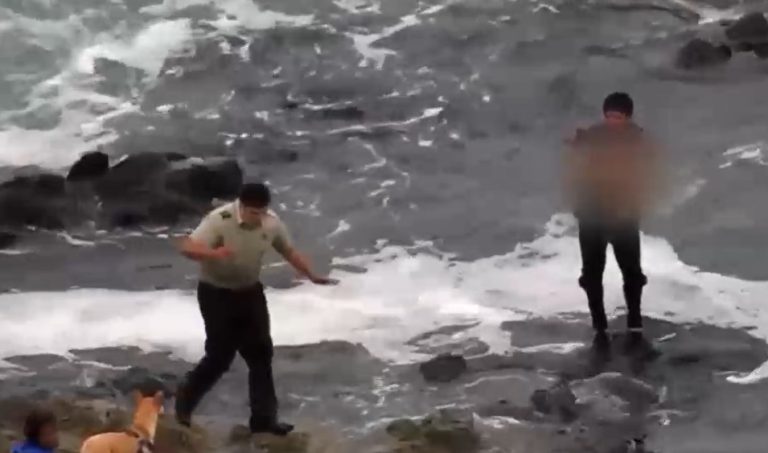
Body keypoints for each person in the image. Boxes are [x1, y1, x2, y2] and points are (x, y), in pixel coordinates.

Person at [174, 182, 338, 435]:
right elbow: (187, 247)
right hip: (216, 294)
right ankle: (185, 402)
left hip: (250, 293)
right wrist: (214, 254)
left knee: (261, 355)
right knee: (219, 357)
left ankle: (264, 421)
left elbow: (289, 250)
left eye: (261, 212)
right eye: (252, 213)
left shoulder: (271, 223)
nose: (257, 218)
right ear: (241, 206)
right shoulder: (220, 220)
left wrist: (311, 275)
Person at [565, 92, 659, 352]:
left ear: (628, 117)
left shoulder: (638, 138)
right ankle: (599, 328)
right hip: (592, 215)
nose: (612, 121)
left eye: (617, 116)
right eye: (609, 116)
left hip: (624, 216)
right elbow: (574, 160)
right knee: (591, 275)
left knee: (633, 274)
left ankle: (635, 325)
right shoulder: (593, 134)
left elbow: (650, 170)